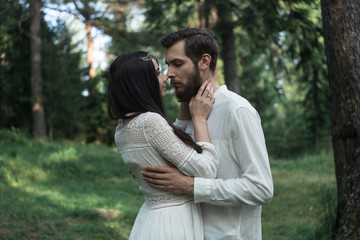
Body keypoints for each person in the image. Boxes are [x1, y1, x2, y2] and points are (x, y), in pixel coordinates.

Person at [141, 28, 274, 240]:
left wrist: (192, 187)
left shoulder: (237, 110)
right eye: (167, 65)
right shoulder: (189, 111)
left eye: (177, 63)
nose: (169, 74)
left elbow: (261, 188)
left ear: (204, 61)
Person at [107, 50, 219, 240]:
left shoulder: (122, 129)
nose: (166, 76)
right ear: (142, 82)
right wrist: (199, 119)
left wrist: (184, 105)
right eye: (158, 72)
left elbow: (166, 145)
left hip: (153, 218)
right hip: (173, 222)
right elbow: (206, 171)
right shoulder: (149, 122)